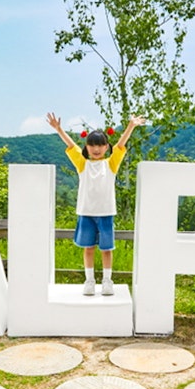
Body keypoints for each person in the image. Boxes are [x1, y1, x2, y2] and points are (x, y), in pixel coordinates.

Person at [46, 112, 147, 295]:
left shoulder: (111, 164)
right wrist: (59, 130)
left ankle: (107, 281)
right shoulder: (82, 164)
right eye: (92, 144)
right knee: (88, 248)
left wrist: (131, 126)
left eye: (100, 144)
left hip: (106, 213)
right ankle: (89, 281)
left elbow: (121, 145)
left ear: (106, 147)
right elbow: (71, 145)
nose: (96, 148)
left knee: (107, 249)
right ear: (87, 147)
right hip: (86, 213)